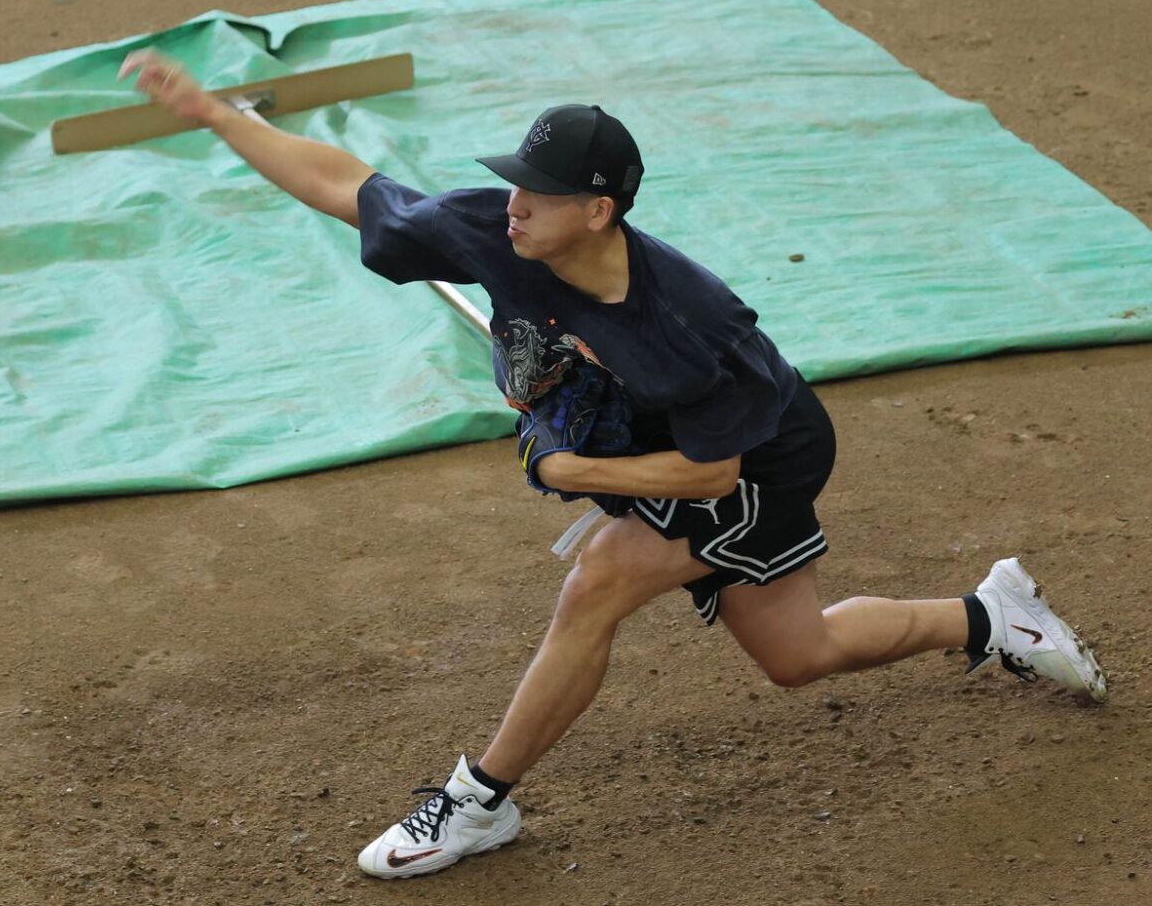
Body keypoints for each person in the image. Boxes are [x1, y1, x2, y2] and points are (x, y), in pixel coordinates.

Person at [119, 50, 1108, 880]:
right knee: (798, 656)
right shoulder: (502, 232)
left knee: (597, 585)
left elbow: (710, 477)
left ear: (597, 210)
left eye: (536, 194)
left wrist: (577, 477)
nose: (513, 205)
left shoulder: (686, 325)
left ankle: (478, 803)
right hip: (665, 451)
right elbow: (347, 184)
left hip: (757, 455)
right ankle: (996, 615)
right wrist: (212, 113)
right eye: (512, 182)